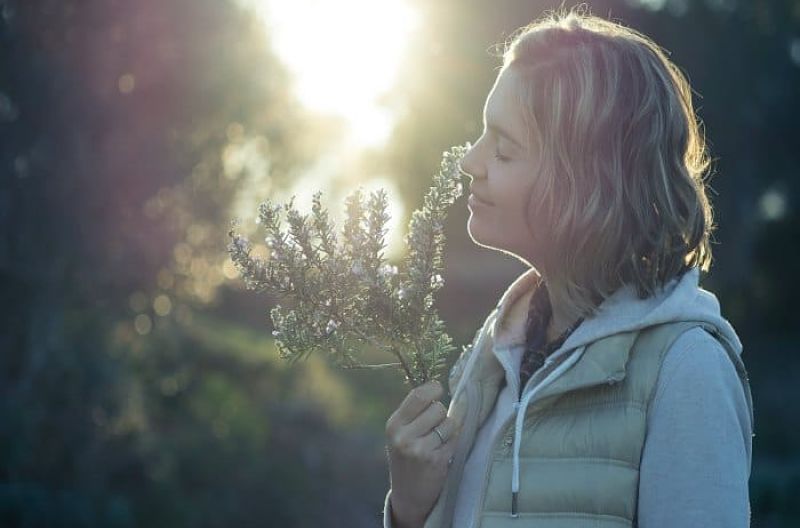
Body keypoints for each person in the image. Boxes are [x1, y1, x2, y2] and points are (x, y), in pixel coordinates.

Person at [383, 7, 755, 528]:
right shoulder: (496, 355)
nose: (470, 161)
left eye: (504, 150)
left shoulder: (686, 372)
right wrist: (410, 508)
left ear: (585, 183)